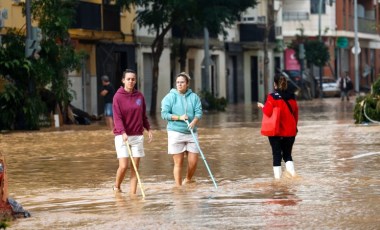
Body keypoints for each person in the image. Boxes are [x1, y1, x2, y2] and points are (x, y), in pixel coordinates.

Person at [112, 69, 153, 194]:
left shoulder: (139, 96)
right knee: (123, 166)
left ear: (135, 81)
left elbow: (143, 115)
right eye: (128, 79)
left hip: (137, 136)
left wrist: (148, 129)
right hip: (122, 136)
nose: (131, 81)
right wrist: (123, 132)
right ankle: (117, 187)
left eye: (133, 79)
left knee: (134, 168)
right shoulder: (117, 97)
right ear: (123, 80)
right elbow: (117, 117)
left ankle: (133, 196)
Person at [161, 72, 203, 187]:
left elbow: (199, 112)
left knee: (193, 162)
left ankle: (188, 179)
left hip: (191, 132)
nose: (179, 84)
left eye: (182, 82)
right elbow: (164, 114)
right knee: (178, 162)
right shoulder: (170, 97)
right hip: (175, 132)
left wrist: (194, 122)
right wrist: (179, 117)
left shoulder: (194, 97)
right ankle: (178, 188)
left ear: (187, 84)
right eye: (178, 82)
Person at [257, 73, 299, 179]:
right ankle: (293, 177)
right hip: (290, 132)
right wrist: (294, 128)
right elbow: (295, 115)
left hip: (276, 132)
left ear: (275, 84)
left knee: (277, 155)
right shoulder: (292, 97)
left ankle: (278, 182)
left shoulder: (272, 97)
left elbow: (268, 112)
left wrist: (262, 106)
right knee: (287, 155)